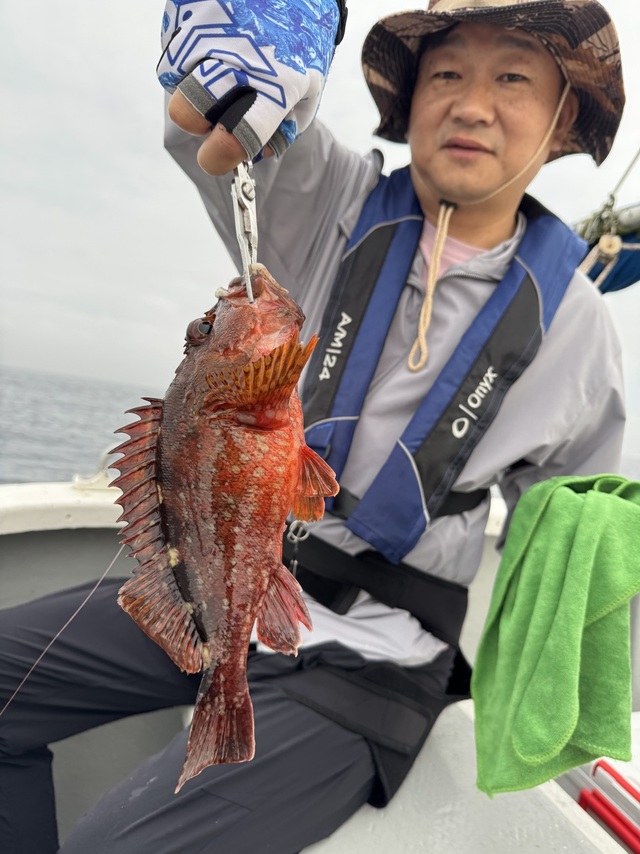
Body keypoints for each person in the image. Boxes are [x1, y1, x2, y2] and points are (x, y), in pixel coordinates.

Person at [0, 1, 627, 852]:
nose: (472, 104)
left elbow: (569, 553)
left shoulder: (580, 330)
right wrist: (247, 39)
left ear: (563, 118)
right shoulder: (330, 196)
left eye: (511, 77)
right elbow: (214, 124)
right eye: (446, 72)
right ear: (411, 101)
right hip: (218, 588)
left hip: (374, 659)